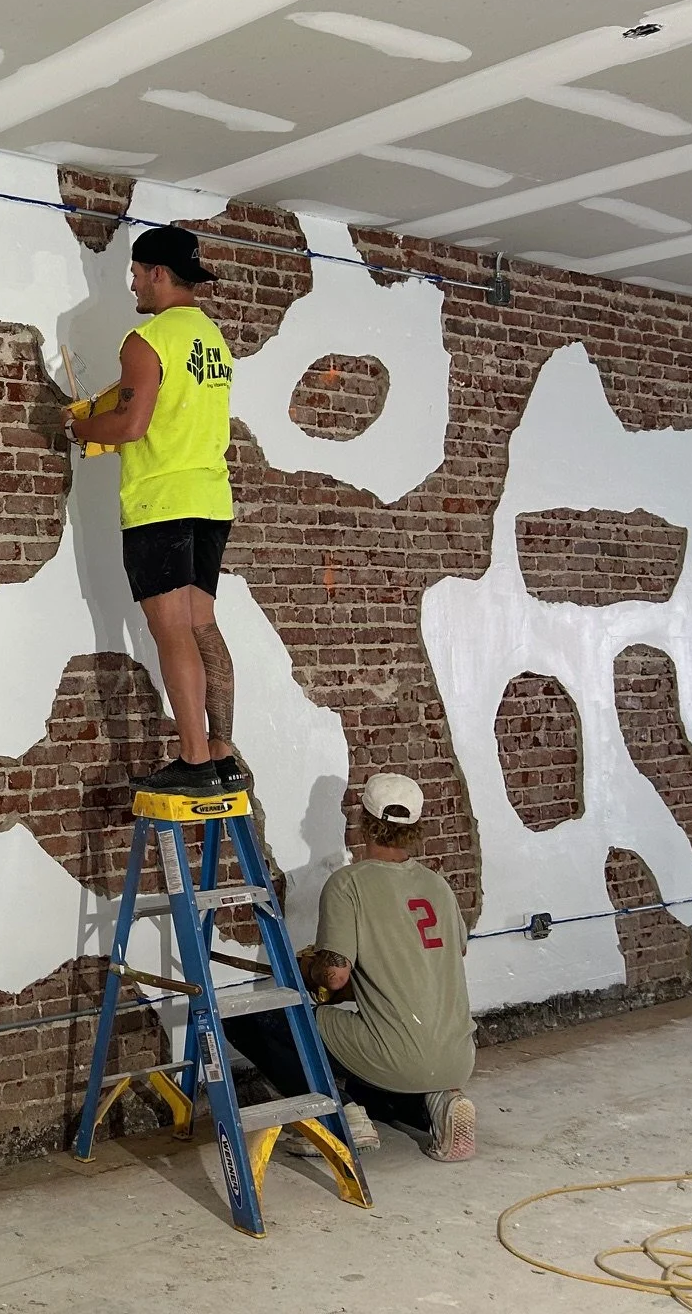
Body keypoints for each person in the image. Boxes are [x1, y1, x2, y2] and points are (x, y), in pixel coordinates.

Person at [64, 225, 242, 793]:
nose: (134, 284)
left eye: (137, 274)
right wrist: (104, 403)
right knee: (201, 625)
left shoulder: (147, 338)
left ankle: (193, 763)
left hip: (160, 502)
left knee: (171, 633)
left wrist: (82, 427)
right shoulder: (211, 339)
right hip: (210, 500)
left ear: (159, 274)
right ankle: (221, 748)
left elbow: (133, 424)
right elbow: (150, 395)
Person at [225, 772, 478, 1162]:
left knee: (256, 1021)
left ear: (365, 821)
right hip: (457, 1056)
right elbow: (451, 952)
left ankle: (339, 1116)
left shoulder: (349, 884)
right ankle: (438, 1101)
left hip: (395, 1053)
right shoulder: (437, 885)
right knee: (380, 1062)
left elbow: (335, 976)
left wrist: (306, 968)